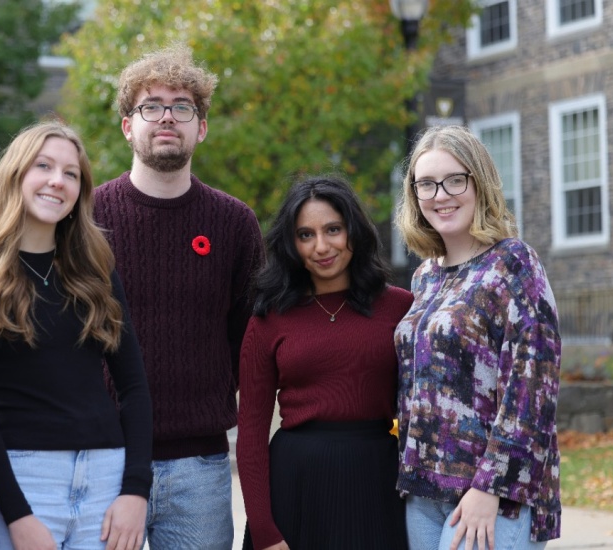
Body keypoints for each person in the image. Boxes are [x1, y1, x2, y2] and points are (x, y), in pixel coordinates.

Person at [0, 121, 152, 550]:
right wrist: (17, 515)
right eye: (44, 166)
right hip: (24, 479)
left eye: (71, 173)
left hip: (105, 481)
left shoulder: (95, 269)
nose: (57, 181)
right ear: (16, 175)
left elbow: (133, 386)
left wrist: (135, 490)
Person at [93, 44, 264, 549]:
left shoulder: (234, 223)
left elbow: (248, 342)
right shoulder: (87, 219)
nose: (167, 117)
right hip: (103, 460)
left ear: (201, 127)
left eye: (182, 107)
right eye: (152, 106)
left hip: (200, 469)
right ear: (129, 125)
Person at [394, 125, 562, 550]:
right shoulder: (425, 276)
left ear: (479, 183)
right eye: (426, 184)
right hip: (424, 491)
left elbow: (533, 391)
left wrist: (491, 487)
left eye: (455, 179)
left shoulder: (513, 263)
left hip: (494, 495)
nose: (440, 194)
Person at [236, 176, 413, 550]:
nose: (321, 246)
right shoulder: (269, 318)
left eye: (333, 229)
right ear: (291, 244)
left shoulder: (401, 307)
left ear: (354, 230)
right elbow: (251, 437)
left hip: (376, 483)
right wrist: (265, 532)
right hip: (295, 487)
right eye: (305, 235)